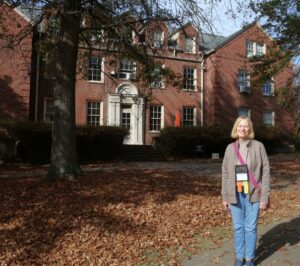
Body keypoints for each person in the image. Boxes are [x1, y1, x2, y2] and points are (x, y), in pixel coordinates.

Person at [222, 116, 270, 266]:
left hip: (253, 194)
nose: (243, 129)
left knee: (250, 227)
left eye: (246, 126)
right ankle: (239, 257)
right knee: (238, 227)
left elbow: (266, 172)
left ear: (250, 129)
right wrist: (224, 196)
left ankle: (249, 259)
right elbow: (225, 173)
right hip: (234, 194)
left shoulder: (258, 146)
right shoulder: (230, 148)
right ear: (236, 128)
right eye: (240, 126)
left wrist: (265, 197)